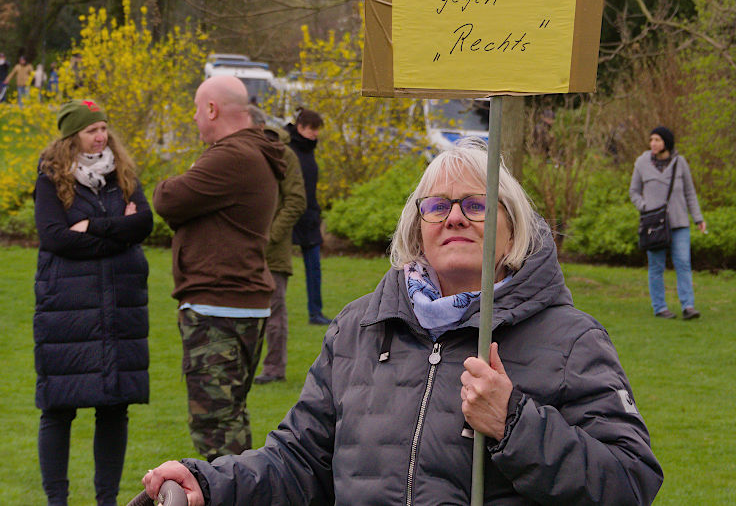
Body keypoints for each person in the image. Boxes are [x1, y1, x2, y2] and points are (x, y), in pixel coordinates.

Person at [142, 139, 663, 506]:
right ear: (417, 227)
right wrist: (208, 484)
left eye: (477, 205)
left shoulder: (571, 339)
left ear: (513, 226)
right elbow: (299, 461)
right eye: (436, 206)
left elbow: (630, 481)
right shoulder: (360, 328)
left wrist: (515, 423)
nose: (454, 217)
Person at [153, 76, 286, 460]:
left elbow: (168, 198)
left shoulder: (232, 156)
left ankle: (231, 494)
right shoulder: (250, 153)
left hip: (219, 308)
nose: (195, 118)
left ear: (212, 109)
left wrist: (190, 172)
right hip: (238, 302)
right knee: (229, 419)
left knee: (215, 427)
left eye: (197, 110)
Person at [33, 99, 152, 506]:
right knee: (58, 408)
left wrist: (94, 227)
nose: (101, 136)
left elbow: (144, 224)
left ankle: (107, 500)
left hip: (119, 309)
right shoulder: (51, 179)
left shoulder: (123, 173)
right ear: (72, 137)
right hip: (66, 308)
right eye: (91, 130)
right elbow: (55, 237)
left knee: (114, 405)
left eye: (104, 128)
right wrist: (118, 235)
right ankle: (57, 501)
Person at [247, 106, 307, 384]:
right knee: (241, 311)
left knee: (273, 311)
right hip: (240, 249)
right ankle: (242, 366)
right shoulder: (240, 152)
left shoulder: (284, 154)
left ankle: (274, 369)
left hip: (272, 252)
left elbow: (296, 201)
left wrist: (268, 236)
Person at [629, 125, 706, 320]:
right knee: (656, 266)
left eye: (657, 140)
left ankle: (688, 306)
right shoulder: (642, 162)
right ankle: (660, 308)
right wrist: (645, 207)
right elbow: (634, 192)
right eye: (651, 140)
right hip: (653, 225)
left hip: (679, 223)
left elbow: (690, 193)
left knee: (683, 263)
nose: (653, 144)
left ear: (667, 143)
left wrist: (698, 218)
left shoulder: (680, 163)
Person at [288, 107, 331, 324]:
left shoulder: (308, 150)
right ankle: (269, 310)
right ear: (300, 127)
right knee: (278, 269)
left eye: (317, 129)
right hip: (288, 217)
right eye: (312, 129)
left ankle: (315, 313)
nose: (316, 133)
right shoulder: (288, 150)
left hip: (309, 218)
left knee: (314, 268)